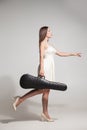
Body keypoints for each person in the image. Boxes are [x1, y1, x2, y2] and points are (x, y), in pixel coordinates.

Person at [13, 26, 81, 122]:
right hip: (45, 68)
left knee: (46, 91)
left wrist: (73, 54)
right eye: (49, 30)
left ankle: (45, 114)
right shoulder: (42, 43)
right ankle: (20, 99)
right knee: (43, 89)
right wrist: (41, 68)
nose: (51, 32)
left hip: (50, 68)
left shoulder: (50, 44)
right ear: (45, 33)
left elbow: (60, 53)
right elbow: (41, 56)